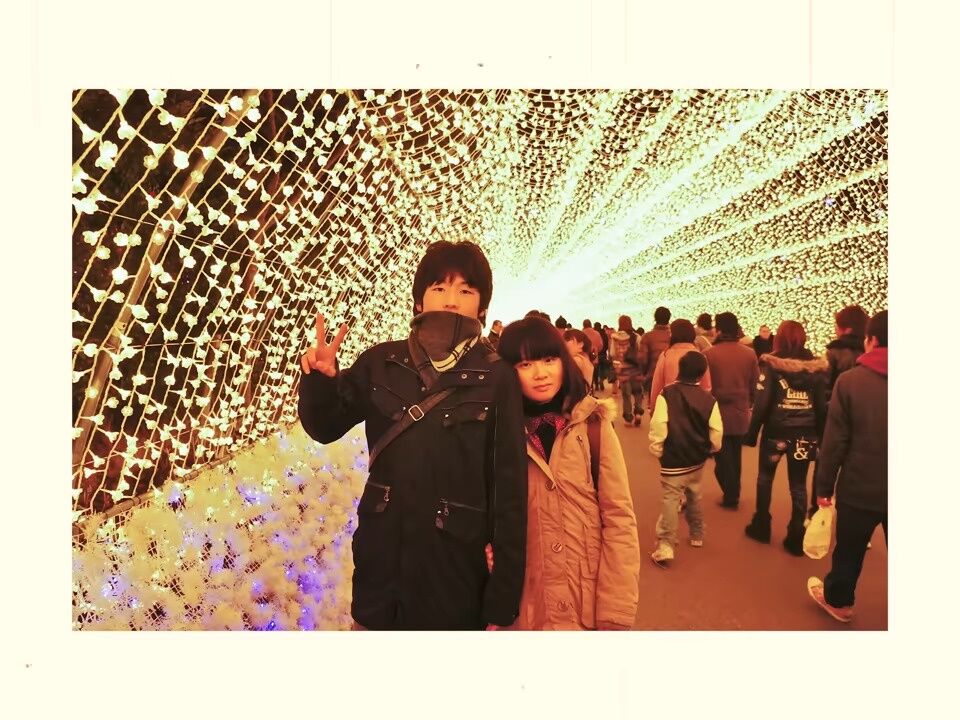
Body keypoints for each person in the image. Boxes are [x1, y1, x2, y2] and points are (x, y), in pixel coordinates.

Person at [298, 240, 527, 630]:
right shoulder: (381, 362)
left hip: (455, 576)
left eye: (465, 290)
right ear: (419, 301)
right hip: (381, 570)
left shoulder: (496, 376)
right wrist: (321, 381)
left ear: (482, 307)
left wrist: (501, 602)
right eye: (439, 287)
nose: (451, 300)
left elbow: (509, 493)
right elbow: (324, 427)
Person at [497, 317, 640, 629]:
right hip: (527, 605)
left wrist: (615, 609)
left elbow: (618, 517)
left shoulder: (591, 425)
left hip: (586, 600)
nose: (541, 373)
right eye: (525, 365)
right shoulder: (497, 434)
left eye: (549, 360)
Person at [807, 311, 887, 623]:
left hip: (859, 487)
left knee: (849, 551)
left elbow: (834, 442)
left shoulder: (851, 382)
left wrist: (824, 489)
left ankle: (839, 602)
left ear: (872, 340)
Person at [743, 320, 828, 556]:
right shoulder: (816, 368)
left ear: (779, 338)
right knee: (798, 485)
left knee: (765, 478)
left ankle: (761, 525)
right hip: (805, 434)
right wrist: (821, 436)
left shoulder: (771, 364)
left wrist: (752, 433)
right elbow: (821, 406)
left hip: (775, 432)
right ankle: (796, 535)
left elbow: (762, 403)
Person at [648, 351, 723, 565]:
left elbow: (659, 424)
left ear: (680, 369)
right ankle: (697, 533)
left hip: (673, 458)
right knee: (694, 494)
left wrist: (657, 449)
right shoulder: (709, 399)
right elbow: (716, 431)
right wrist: (710, 449)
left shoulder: (667, 394)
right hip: (697, 459)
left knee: (671, 499)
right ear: (702, 374)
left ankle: (666, 544)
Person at [704, 312, 760, 509]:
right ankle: (733, 491)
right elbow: (755, 383)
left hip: (717, 411)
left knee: (722, 455)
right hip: (740, 411)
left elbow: (705, 386)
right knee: (735, 455)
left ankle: (731, 493)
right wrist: (749, 402)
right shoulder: (749, 353)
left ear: (718, 329)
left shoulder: (709, 354)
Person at [648, 319, 713, 412]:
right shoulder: (699, 356)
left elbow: (657, 385)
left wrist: (653, 408)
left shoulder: (666, 356)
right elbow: (706, 387)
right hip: (694, 410)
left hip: (671, 409)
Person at [825, 304, 869, 400]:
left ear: (848, 330)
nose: (835, 329)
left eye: (837, 326)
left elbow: (826, 387)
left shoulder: (833, 352)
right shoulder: (870, 350)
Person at [609, 315, 645, 426]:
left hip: (623, 371)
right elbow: (641, 352)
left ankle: (628, 418)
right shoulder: (637, 337)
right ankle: (638, 413)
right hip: (636, 370)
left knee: (626, 395)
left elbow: (612, 354)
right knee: (638, 392)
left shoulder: (615, 338)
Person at [638, 306, 672, 408]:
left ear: (655, 318)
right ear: (669, 318)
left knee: (655, 406)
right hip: (672, 377)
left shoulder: (647, 337)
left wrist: (644, 374)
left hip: (653, 376)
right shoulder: (673, 335)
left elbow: (642, 359)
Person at [591, 321, 609, 393]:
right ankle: (601, 379)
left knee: (595, 370)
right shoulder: (604, 334)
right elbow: (607, 344)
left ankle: (596, 384)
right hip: (603, 354)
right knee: (603, 369)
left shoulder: (594, 334)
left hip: (596, 354)